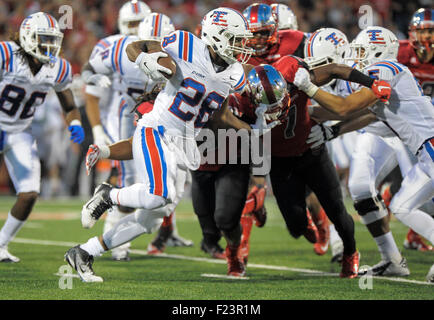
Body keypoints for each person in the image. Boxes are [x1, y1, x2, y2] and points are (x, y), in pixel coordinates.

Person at [64, 7, 275, 282]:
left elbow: (221, 116)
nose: (240, 47)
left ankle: (84, 252)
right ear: (217, 36)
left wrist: (254, 129)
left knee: (151, 219)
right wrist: (143, 58)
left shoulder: (234, 73)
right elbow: (135, 46)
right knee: (157, 194)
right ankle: (109, 195)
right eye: (235, 39)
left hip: (184, 145)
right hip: (158, 130)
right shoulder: (187, 45)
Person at [294, 26, 434, 282]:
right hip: (424, 150)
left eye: (361, 51)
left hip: (429, 146)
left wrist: (309, 89)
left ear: (379, 51)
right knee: (402, 205)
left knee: (414, 205)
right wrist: (302, 111)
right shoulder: (380, 77)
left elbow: (345, 107)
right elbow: (353, 113)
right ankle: (392, 259)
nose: (355, 56)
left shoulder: (383, 70)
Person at [0, 12, 85, 262]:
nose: (50, 46)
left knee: (29, 193)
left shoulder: (58, 68)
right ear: (27, 36)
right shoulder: (6, 55)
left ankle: (1, 244)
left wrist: (76, 122)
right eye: (43, 39)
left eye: (52, 40)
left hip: (20, 132)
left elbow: (69, 105)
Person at [82, 0, 152, 261]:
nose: (135, 29)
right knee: (131, 180)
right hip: (122, 117)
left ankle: (119, 231)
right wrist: (99, 131)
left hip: (150, 118)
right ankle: (114, 240)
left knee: (154, 186)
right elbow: (91, 92)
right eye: (131, 24)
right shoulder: (112, 49)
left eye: (139, 23)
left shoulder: (162, 47)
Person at [397, 8, 434, 251]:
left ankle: (413, 234)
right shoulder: (400, 52)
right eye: (419, 32)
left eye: (429, 31)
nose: (423, 38)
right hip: (407, 130)